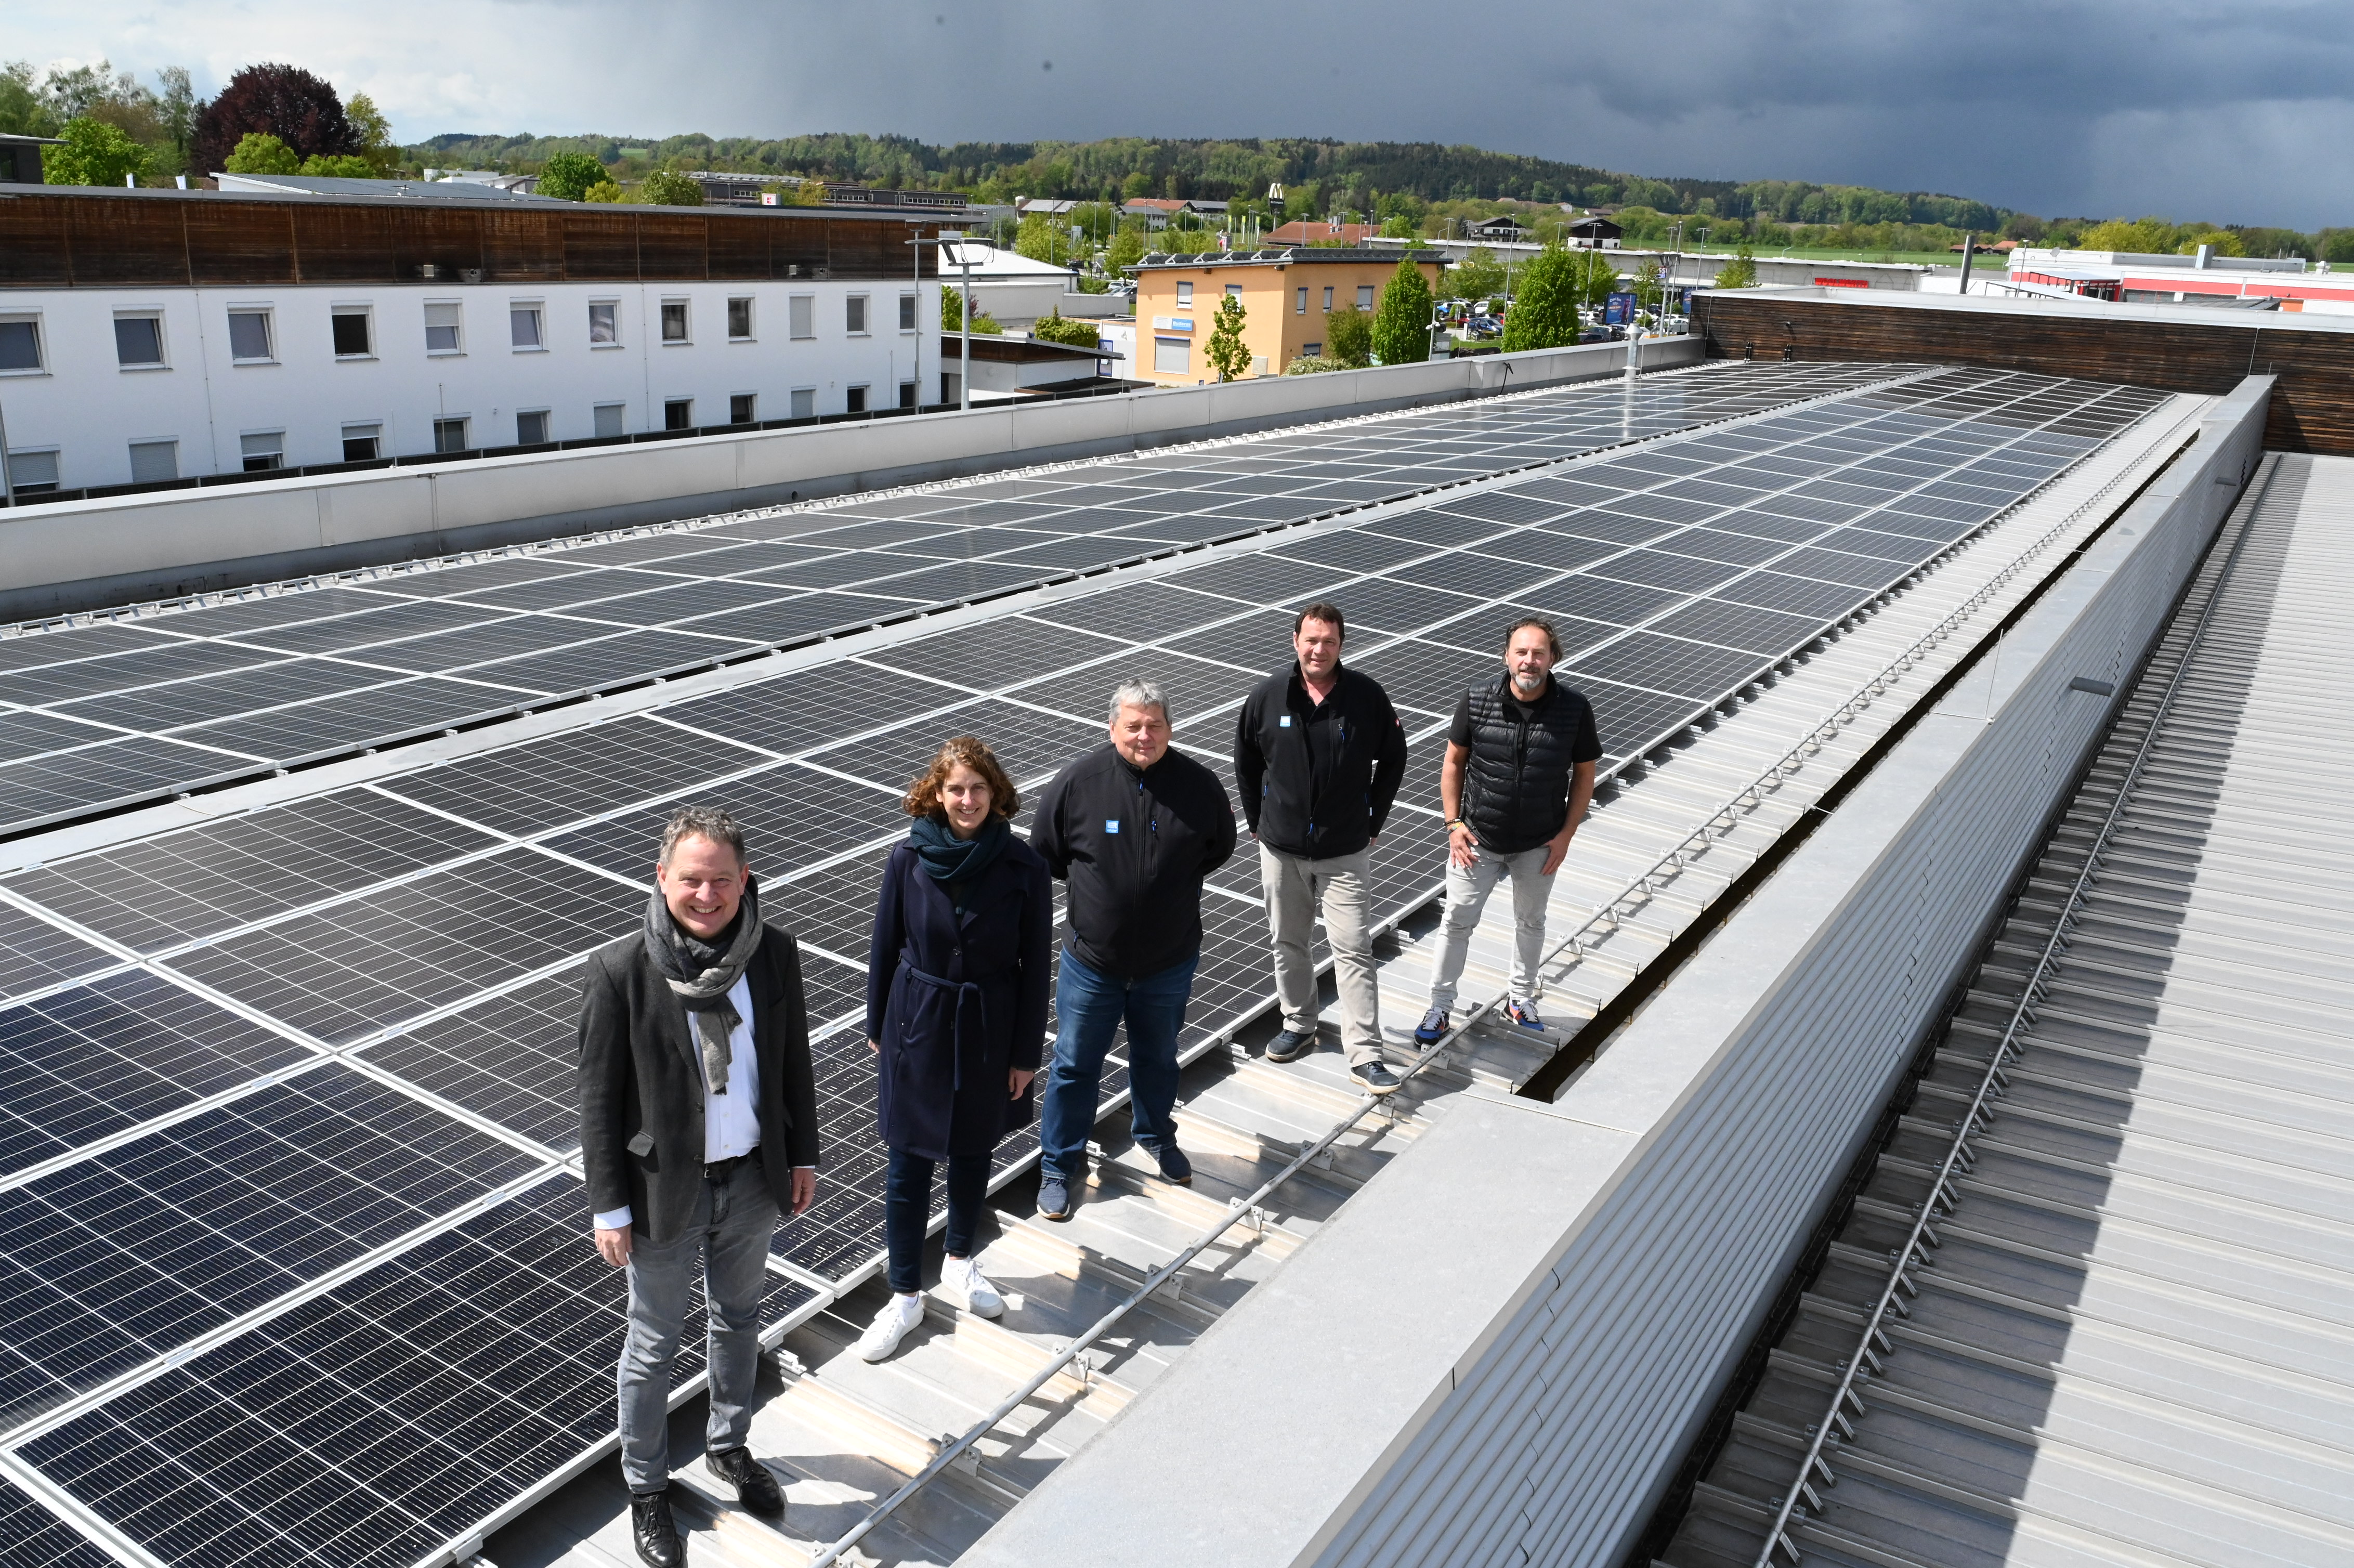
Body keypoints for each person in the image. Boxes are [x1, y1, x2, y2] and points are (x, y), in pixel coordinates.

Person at [578, 805, 820, 1568]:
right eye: (692, 880)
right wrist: (609, 1206)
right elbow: (597, 1101)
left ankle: (728, 1446)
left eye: (721, 880)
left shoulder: (774, 952)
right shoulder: (620, 971)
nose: (707, 896)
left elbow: (792, 1062)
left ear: (745, 879)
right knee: (652, 1344)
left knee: (739, 1320)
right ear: (662, 878)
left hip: (751, 1181)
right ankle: (647, 1488)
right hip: (662, 1196)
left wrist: (803, 1157)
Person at [854, 736, 1052, 1363]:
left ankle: (961, 1261)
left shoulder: (1024, 867)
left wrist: (1025, 1054)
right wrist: (879, 1026)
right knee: (908, 1163)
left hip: (989, 1023)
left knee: (973, 1150)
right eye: (956, 789)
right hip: (917, 1023)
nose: (967, 800)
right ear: (936, 795)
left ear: (996, 794)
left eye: (978, 788)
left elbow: (1035, 966)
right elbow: (884, 945)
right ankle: (905, 1295)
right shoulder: (907, 858)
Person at [1030, 678, 1237, 1221]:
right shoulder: (1079, 783)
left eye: (1155, 725)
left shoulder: (1198, 785)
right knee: (1075, 1065)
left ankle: (1156, 1136)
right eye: (1133, 726)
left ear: (1170, 728)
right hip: (1092, 964)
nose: (1145, 735)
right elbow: (1047, 852)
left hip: (1167, 962)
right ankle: (1059, 1165)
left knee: (1158, 1058)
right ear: (1112, 728)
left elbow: (1218, 847)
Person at [1234, 600, 1409, 1093]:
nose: (1319, 649)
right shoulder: (1268, 696)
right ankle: (1299, 1024)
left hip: (1344, 850)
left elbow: (1394, 758)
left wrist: (1374, 818)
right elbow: (1246, 760)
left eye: (1329, 641)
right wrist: (1256, 820)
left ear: (1341, 645)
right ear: (1296, 641)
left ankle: (1366, 1054)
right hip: (1281, 849)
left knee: (1353, 948)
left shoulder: (1366, 697)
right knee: (1288, 942)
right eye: (1311, 640)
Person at [1416, 617, 1601, 1044]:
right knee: (1457, 921)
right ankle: (1439, 1007)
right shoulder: (1477, 699)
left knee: (1531, 922)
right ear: (1506, 656)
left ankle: (1520, 999)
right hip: (1477, 839)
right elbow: (1453, 763)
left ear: (1553, 658)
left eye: (1538, 653)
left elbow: (1585, 774)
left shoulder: (1574, 709)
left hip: (1540, 841)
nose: (1529, 661)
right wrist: (1453, 824)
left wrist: (1567, 835)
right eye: (1521, 652)